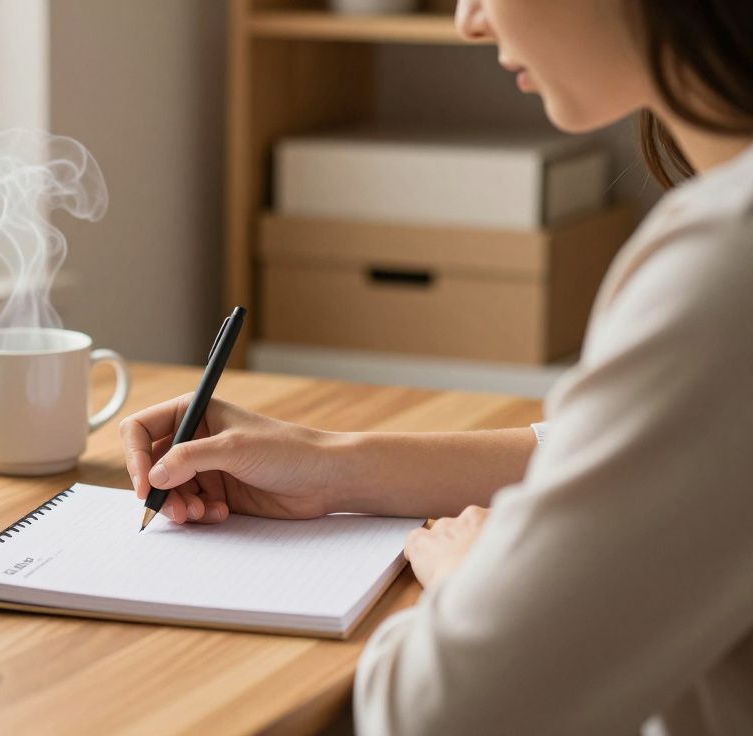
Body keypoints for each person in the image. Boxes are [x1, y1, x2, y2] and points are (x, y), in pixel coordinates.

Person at [119, 0, 753, 733]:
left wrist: (478, 581)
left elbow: (440, 715)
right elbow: (656, 455)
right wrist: (332, 463)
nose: (468, 18)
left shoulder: (726, 263)